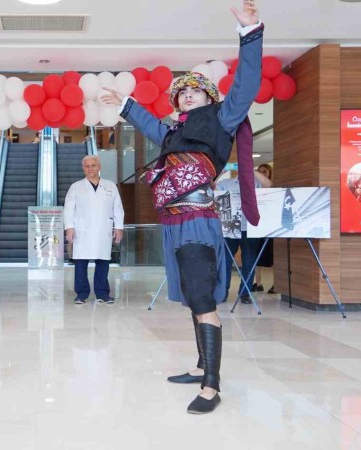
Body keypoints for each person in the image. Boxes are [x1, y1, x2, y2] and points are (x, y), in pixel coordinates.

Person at [101, 0, 263, 414]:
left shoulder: (221, 118)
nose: (187, 95)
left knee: (201, 295)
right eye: (182, 92)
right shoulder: (174, 131)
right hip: (172, 222)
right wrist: (124, 104)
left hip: (197, 220)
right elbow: (154, 126)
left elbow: (245, 84)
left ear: (208, 96)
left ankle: (212, 385)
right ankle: (200, 364)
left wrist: (251, 32)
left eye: (194, 90)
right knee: (192, 297)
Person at [64, 155, 124, 305]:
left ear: (99, 167)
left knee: (103, 261)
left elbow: (117, 208)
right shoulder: (76, 186)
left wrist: (119, 227)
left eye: (93, 165)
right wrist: (69, 227)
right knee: (80, 263)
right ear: (83, 168)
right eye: (87, 166)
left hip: (103, 229)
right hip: (82, 230)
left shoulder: (110, 186)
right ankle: (82, 294)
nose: (90, 168)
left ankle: (102, 294)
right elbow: (68, 209)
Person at [217, 167, 271, 303]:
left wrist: (252, 169)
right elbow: (212, 190)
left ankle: (245, 293)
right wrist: (221, 173)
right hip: (230, 228)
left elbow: (269, 185)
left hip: (251, 228)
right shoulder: (226, 183)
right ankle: (223, 291)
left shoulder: (256, 183)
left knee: (249, 262)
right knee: (226, 261)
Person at [254, 163, 276, 294]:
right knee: (257, 256)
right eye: (260, 171)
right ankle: (258, 282)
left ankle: (276, 283)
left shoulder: (272, 187)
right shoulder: (254, 188)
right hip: (258, 225)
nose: (262, 174)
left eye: (265, 172)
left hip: (270, 225)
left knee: (272, 257)